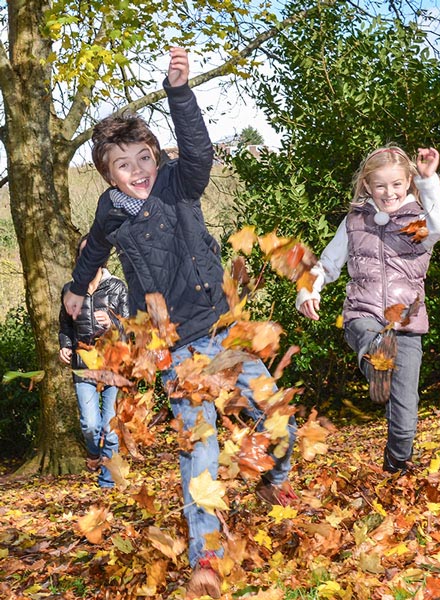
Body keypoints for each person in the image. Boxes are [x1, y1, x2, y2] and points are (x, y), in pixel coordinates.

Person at [62, 47, 297, 599]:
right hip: (178, 350)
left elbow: (198, 150)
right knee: (201, 451)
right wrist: (76, 288)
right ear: (108, 175)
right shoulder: (111, 211)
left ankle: (272, 476)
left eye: (144, 157)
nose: (138, 171)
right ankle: (207, 558)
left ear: (156, 155)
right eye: (124, 165)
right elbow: (93, 250)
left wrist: (179, 93)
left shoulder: (178, 182)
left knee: (276, 414)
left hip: (225, 333)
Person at [296, 145, 440, 476]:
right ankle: (376, 359)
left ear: (408, 183)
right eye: (380, 186)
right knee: (369, 335)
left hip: (407, 323)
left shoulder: (415, 226)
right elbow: (328, 263)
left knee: (404, 417)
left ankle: (396, 467)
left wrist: (429, 180)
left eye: (396, 184)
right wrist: (307, 289)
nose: (389, 192)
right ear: (367, 186)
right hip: (364, 314)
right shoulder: (356, 222)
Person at [59, 234, 129, 489]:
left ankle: (107, 483)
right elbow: (65, 326)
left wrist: (113, 324)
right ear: (78, 258)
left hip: (113, 366)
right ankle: (93, 452)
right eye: (83, 253)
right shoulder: (69, 290)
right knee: (90, 425)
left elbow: (132, 327)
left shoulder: (118, 287)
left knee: (110, 427)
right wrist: (65, 346)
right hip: (83, 367)